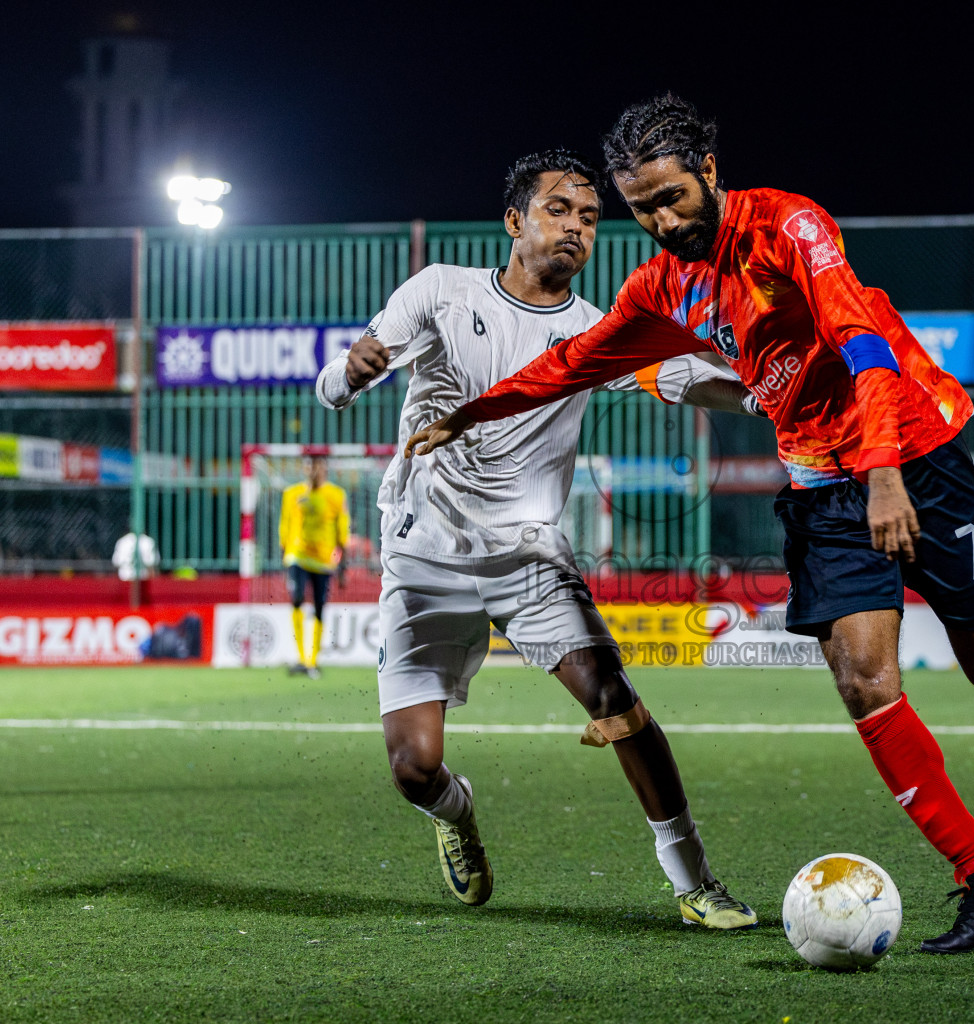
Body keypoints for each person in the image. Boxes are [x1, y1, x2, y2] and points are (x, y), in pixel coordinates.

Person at [408, 96, 974, 953]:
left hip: (911, 454)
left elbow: (865, 345)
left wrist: (881, 476)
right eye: (641, 206)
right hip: (820, 489)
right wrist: (473, 413)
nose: (659, 219)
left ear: (710, 173)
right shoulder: (660, 284)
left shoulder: (788, 228)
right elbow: (576, 360)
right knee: (866, 680)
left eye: (672, 196)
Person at [316, 149, 761, 928]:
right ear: (515, 221)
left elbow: (692, 376)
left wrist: (771, 394)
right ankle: (457, 818)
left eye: (590, 217)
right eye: (559, 210)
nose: (578, 228)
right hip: (425, 557)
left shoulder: (596, 331)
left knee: (616, 699)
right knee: (413, 769)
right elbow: (332, 387)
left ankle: (695, 882)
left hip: (530, 558)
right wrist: (349, 373)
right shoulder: (441, 291)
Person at [279, 455, 348, 679]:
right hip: (296, 556)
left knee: (319, 606)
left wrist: (342, 561)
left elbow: (342, 526)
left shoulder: (336, 495)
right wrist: (284, 550)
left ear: (325, 469)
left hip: (323, 559)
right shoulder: (292, 493)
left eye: (317, 465)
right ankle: (301, 658)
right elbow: (285, 523)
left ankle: (312, 660)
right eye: (309, 465)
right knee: (297, 599)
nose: (313, 470)